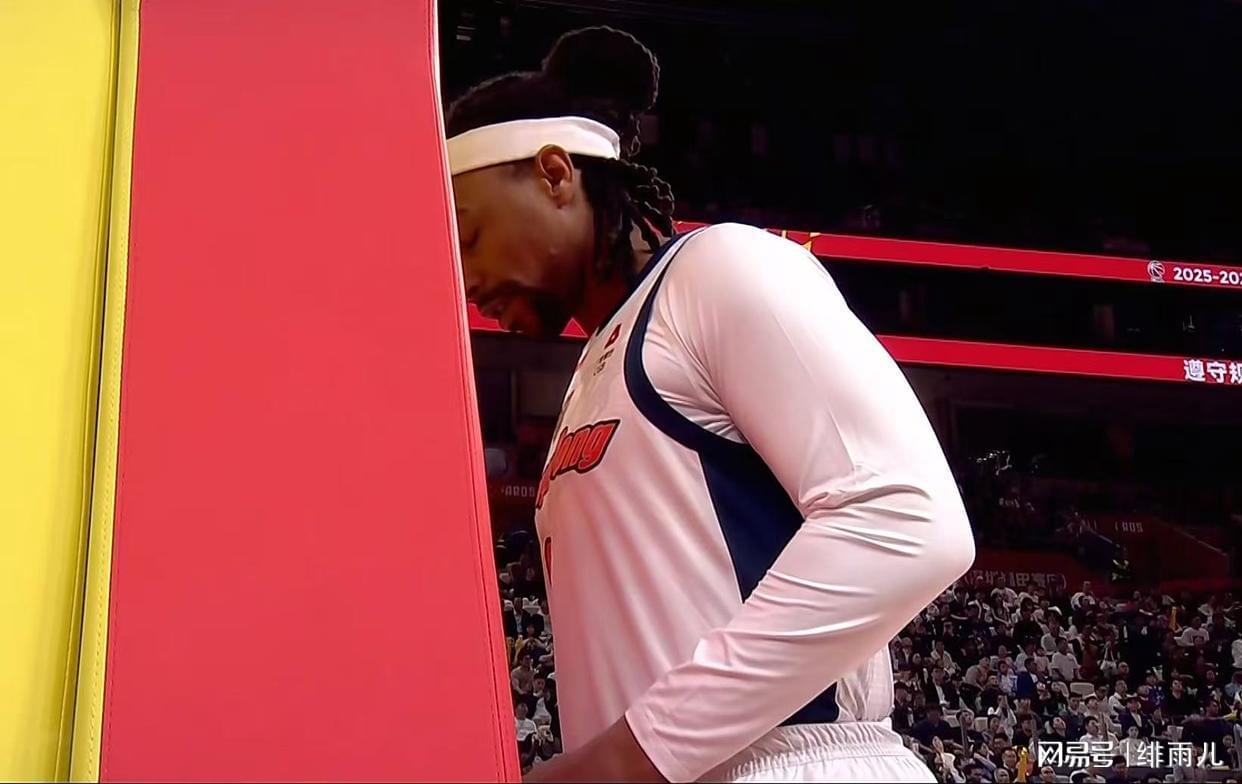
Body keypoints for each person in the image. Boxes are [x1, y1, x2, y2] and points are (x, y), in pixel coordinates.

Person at [446, 25, 974, 783]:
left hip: (794, 763)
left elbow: (906, 517)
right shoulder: (593, 366)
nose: (465, 279)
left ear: (555, 174)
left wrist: (630, 757)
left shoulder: (719, 266)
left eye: (469, 235)